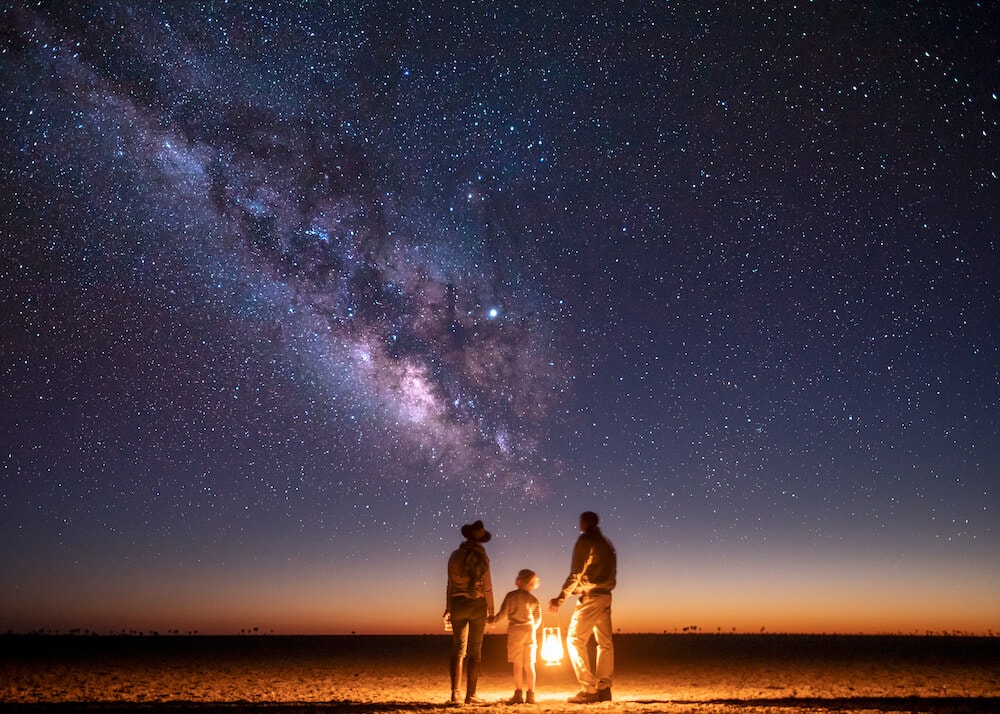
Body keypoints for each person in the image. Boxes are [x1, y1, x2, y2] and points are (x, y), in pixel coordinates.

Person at [548, 511, 616, 704]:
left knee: (574, 640)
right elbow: (598, 575)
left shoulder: (586, 540)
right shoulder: (607, 544)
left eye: (580, 521)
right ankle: (604, 688)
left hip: (591, 598)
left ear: (584, 522)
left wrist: (561, 598)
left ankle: (589, 688)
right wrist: (577, 590)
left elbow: (576, 573)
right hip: (605, 596)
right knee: (605, 643)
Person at [444, 520, 495, 705]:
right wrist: (491, 610)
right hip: (477, 604)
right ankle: (470, 695)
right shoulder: (483, 557)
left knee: (458, 650)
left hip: (458, 603)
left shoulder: (455, 556)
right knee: (475, 652)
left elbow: (450, 584)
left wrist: (448, 607)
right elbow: (487, 587)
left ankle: (455, 694)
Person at [490, 569, 542, 705]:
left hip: (516, 630)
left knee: (518, 664)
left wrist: (492, 621)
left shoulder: (511, 596)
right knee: (529, 664)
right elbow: (538, 618)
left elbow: (502, 613)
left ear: (519, 581)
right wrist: (532, 628)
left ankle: (518, 694)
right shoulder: (533, 599)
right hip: (529, 630)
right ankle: (531, 695)